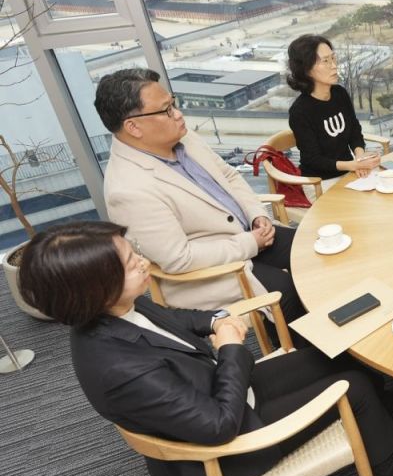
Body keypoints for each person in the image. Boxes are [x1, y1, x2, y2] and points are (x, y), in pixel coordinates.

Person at [17, 221, 393, 476]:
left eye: (133, 252)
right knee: (352, 386)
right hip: (233, 444)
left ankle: (376, 414)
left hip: (220, 390)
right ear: (96, 287)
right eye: (129, 262)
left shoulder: (115, 309)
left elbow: (176, 319)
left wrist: (215, 320)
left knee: (330, 351)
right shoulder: (118, 369)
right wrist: (230, 349)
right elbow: (219, 427)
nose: (142, 262)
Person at [94, 69, 303, 333]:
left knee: (310, 248)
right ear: (133, 127)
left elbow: (229, 175)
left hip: (249, 235)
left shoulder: (182, 137)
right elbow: (179, 259)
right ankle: (311, 351)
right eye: (167, 110)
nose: (178, 114)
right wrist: (250, 242)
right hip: (213, 270)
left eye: (173, 104)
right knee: (285, 292)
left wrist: (256, 215)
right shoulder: (127, 190)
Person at [286, 34, 379, 186]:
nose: (334, 66)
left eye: (333, 58)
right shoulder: (300, 111)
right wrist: (353, 165)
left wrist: (360, 157)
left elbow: (354, 131)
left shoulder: (339, 93)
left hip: (349, 174)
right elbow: (313, 159)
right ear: (306, 69)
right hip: (319, 182)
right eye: (325, 61)